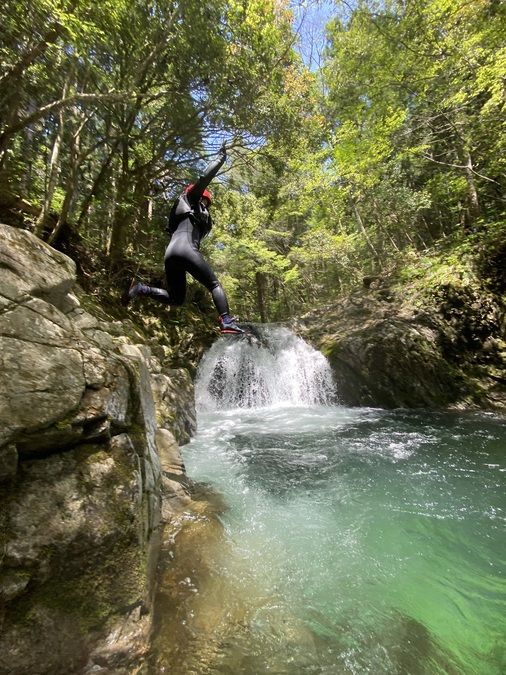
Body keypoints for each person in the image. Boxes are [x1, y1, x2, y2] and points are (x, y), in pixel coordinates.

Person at [123, 144, 244, 335]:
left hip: (171, 254)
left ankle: (142, 289)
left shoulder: (181, 210)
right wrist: (220, 159)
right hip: (187, 250)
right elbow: (204, 179)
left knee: (176, 298)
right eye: (206, 202)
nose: (205, 207)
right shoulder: (190, 198)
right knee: (214, 285)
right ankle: (226, 320)